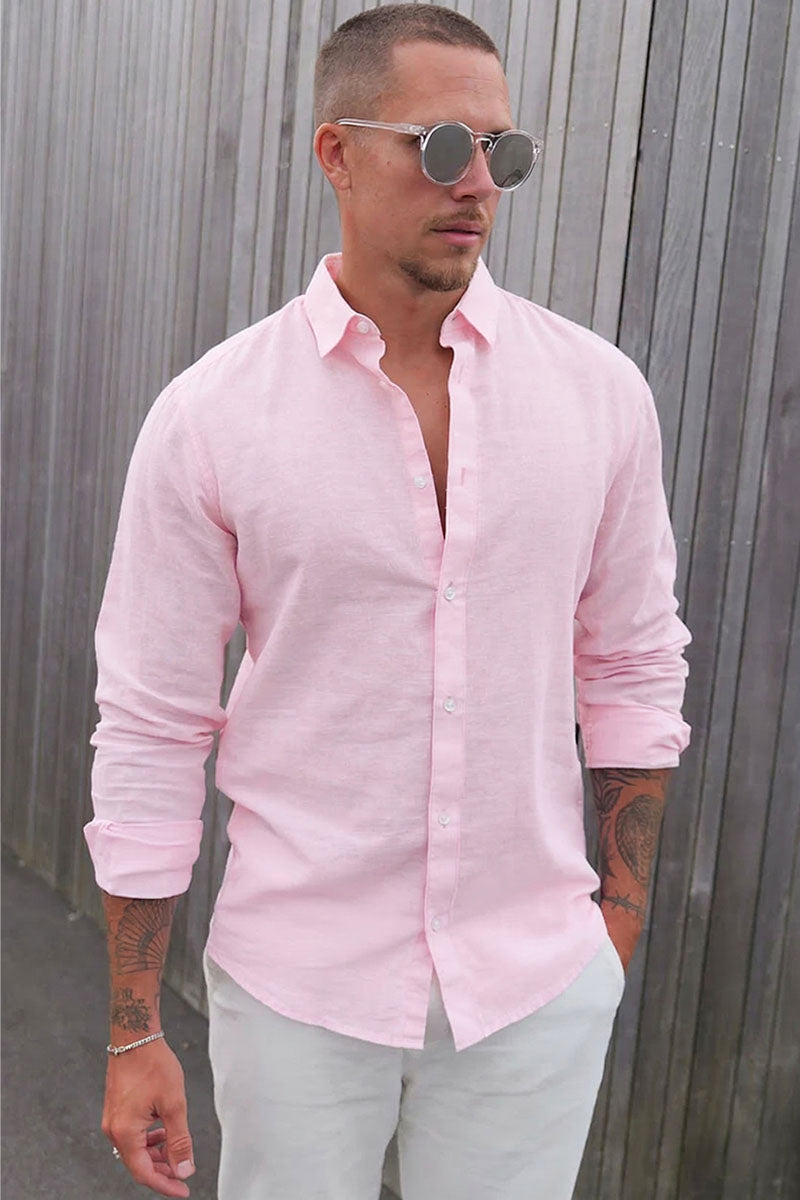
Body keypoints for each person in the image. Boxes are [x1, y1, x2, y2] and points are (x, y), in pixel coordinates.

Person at [84, 5, 692, 1199]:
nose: (477, 184)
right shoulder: (214, 418)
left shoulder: (597, 397)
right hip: (299, 988)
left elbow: (630, 662)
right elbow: (152, 724)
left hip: (532, 987)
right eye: (441, 147)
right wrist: (131, 1026)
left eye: (502, 152)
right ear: (337, 154)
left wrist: (612, 923)